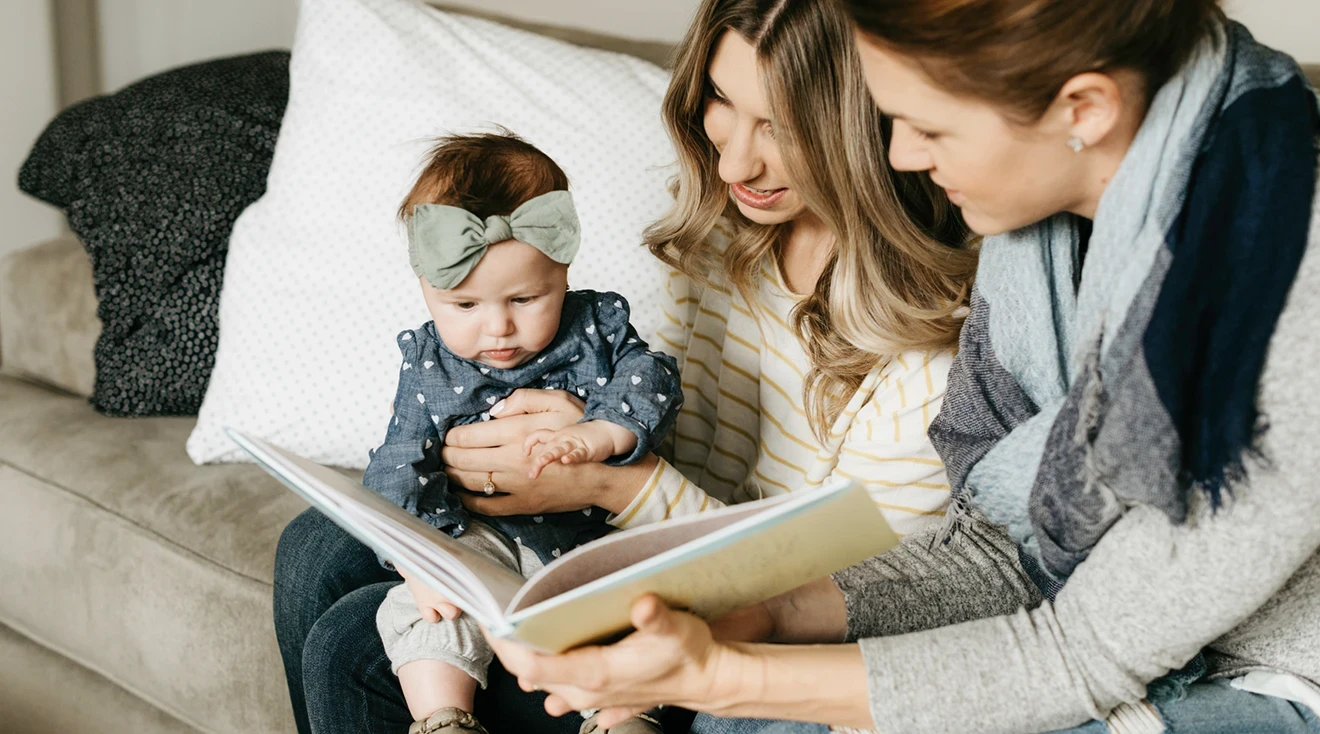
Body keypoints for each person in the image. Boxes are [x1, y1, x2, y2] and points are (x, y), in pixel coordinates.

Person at [483, 1, 1320, 733]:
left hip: (1274, 678)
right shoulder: (1038, 234)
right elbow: (998, 550)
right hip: (1100, 639)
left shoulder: (1285, 282)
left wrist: (724, 676)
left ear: (1085, 108)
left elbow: (1083, 651)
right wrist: (763, 614)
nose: (903, 155)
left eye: (932, 127)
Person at [271, 0, 981, 731]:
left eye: (782, 127)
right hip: (628, 538)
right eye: (722, 101)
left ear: (876, 124)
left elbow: (818, 593)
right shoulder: (723, 235)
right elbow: (658, 416)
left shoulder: (931, 349)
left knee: (355, 646)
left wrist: (610, 480)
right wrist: (550, 434)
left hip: (742, 618)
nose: (734, 161)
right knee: (314, 548)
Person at [365, 131, 683, 734]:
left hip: (590, 537)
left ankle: (624, 717)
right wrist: (420, 557)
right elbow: (397, 462)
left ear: (562, 271)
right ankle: (442, 717)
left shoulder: (595, 326)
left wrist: (607, 434)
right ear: (426, 290)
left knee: (634, 615)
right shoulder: (431, 360)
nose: (498, 328)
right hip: (475, 535)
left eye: (525, 297)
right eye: (465, 306)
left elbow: (653, 377)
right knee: (425, 609)